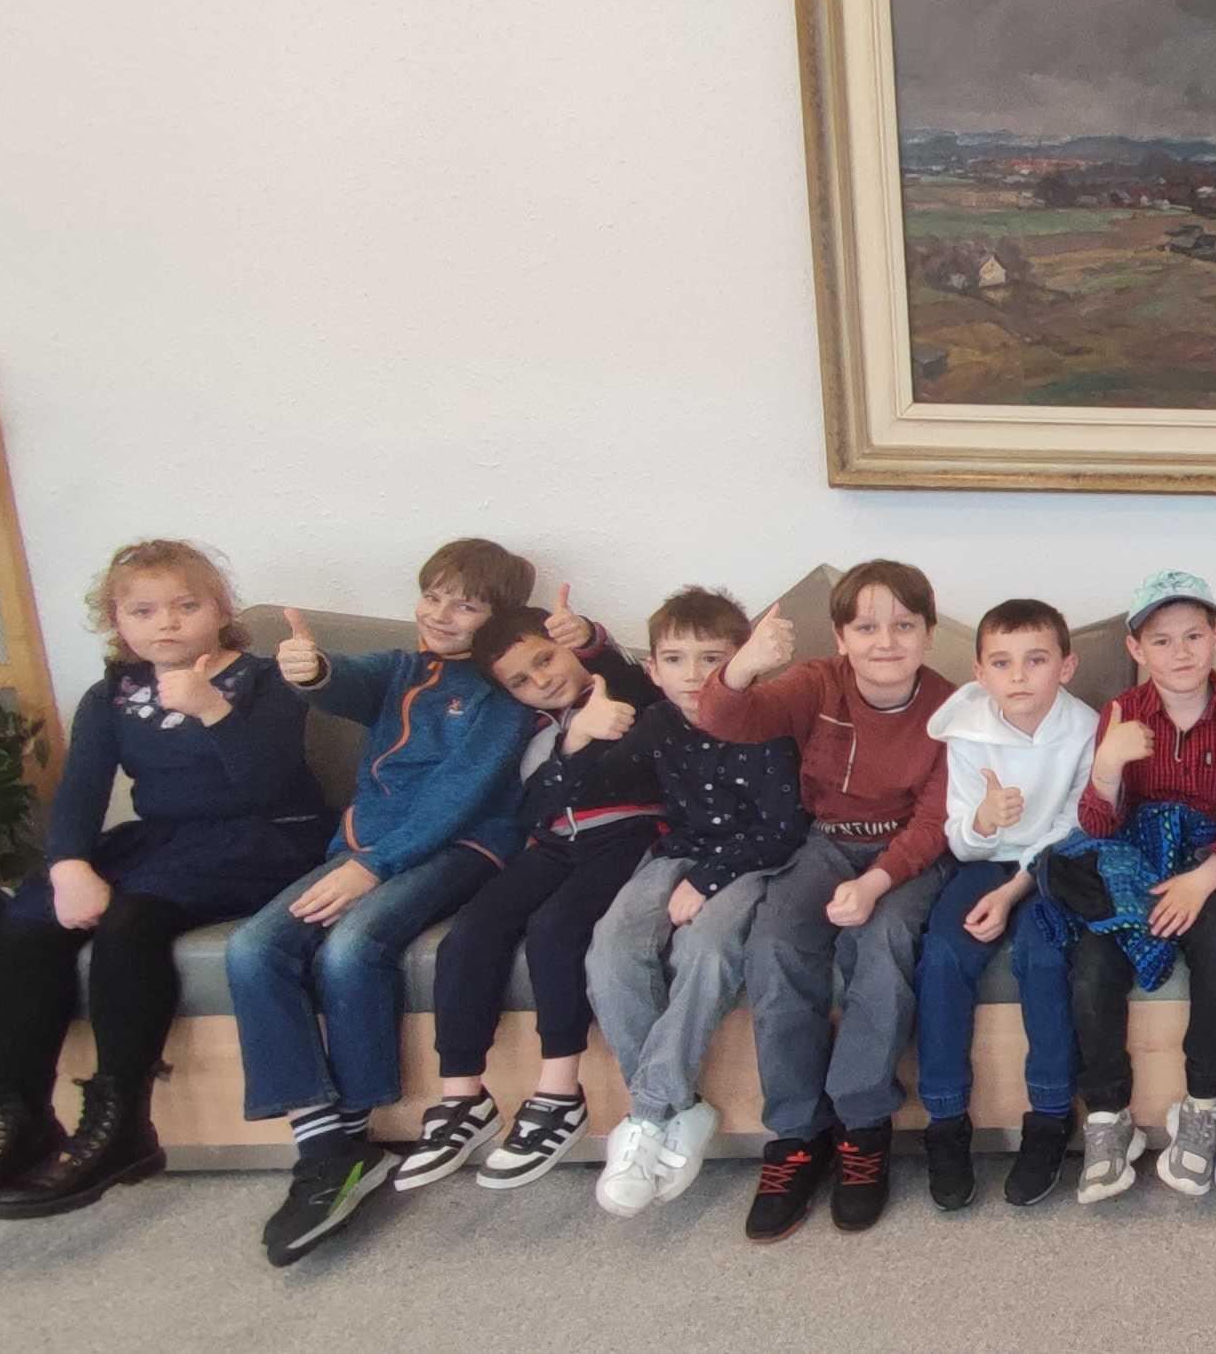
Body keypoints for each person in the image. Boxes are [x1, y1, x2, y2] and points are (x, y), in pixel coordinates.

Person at [0, 540, 331, 1227]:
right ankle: (20, 1117)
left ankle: (122, 1124)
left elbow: (269, 784)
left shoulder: (265, 679)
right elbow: (81, 790)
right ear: (116, 621)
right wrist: (69, 865)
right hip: (166, 837)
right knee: (30, 919)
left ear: (222, 612)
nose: (166, 623)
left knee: (133, 918)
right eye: (143, 611)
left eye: (186, 606)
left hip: (267, 834)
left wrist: (212, 710)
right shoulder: (113, 694)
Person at [227, 537, 534, 1266]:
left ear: (496, 617)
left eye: (466, 605)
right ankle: (325, 1146)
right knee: (252, 948)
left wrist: (373, 867)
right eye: (433, 596)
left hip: (460, 847)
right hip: (363, 849)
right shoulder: (399, 668)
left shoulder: (500, 691)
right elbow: (339, 683)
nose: (442, 614)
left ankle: (357, 1120)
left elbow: (459, 797)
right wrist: (310, 670)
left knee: (351, 946)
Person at [699, 559, 957, 1238]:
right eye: (866, 627)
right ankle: (796, 1133)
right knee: (775, 945)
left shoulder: (950, 706)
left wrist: (875, 884)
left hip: (908, 855)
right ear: (841, 638)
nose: (886, 641)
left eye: (904, 626)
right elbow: (726, 719)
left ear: (929, 634)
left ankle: (863, 1126)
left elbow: (936, 822)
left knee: (885, 941)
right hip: (827, 843)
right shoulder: (816, 683)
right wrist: (743, 666)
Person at [400, 595, 666, 1194]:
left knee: (555, 930)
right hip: (552, 844)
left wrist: (589, 637)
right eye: (521, 681)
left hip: (627, 837)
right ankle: (462, 1095)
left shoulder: (620, 689)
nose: (541, 681)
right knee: (471, 933)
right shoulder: (533, 728)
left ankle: (559, 1093)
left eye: (546, 660)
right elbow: (536, 803)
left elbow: (626, 676)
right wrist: (572, 743)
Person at [583, 587, 808, 1218]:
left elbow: (783, 828)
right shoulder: (658, 722)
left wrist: (708, 881)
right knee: (609, 950)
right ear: (652, 669)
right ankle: (680, 1109)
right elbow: (593, 785)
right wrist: (580, 736)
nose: (692, 675)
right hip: (678, 853)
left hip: (754, 859)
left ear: (743, 664)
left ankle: (648, 1115)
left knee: (705, 949)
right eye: (675, 660)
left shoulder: (767, 722)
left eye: (712, 660)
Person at [1053, 571, 1216, 1202]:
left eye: (1193, 636)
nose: (1180, 653)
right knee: (1092, 961)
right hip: (1136, 855)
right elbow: (1098, 826)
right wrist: (1107, 766)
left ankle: (1203, 1102)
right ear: (1136, 649)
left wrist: (1202, 881)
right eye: (1161, 640)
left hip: (1212, 859)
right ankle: (1108, 1114)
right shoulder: (1120, 715)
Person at [913, 598, 1095, 1209]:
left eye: (1035, 660)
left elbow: (1078, 824)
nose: (1018, 676)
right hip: (983, 862)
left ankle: (1050, 1114)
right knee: (943, 956)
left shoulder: (1086, 728)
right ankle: (945, 1120)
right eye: (1001, 663)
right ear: (980, 672)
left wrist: (1017, 885)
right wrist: (985, 821)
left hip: (1054, 865)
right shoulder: (964, 730)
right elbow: (959, 838)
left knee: (1043, 957)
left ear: (1066, 667)